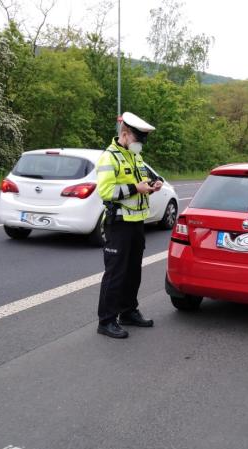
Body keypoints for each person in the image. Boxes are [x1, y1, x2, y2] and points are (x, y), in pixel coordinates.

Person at [95, 112, 163, 339]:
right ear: (124, 135)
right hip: (119, 224)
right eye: (137, 140)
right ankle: (106, 320)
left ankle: (128, 312)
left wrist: (153, 184)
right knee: (115, 274)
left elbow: (140, 181)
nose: (140, 146)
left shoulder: (135, 157)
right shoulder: (109, 158)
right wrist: (136, 188)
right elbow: (106, 192)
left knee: (133, 272)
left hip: (136, 223)